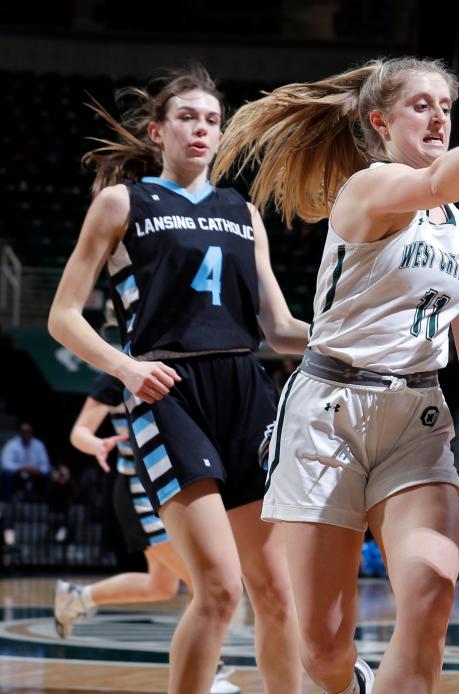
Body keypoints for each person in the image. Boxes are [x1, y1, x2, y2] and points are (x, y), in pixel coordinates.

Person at [212, 57, 459, 694]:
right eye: (421, 105)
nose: (439, 117)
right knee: (324, 647)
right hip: (327, 414)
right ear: (380, 121)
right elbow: (438, 184)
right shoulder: (368, 188)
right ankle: (354, 681)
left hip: (415, 420)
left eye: (446, 107)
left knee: (432, 593)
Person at [47, 64, 305, 693]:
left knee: (275, 593)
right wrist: (126, 368)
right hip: (169, 391)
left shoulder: (243, 210)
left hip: (247, 391)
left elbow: (279, 328)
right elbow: (62, 316)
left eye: (211, 120)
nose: (201, 128)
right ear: (157, 131)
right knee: (218, 589)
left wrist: (355, 336)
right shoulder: (122, 202)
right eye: (186, 117)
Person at [58, 373, 240, 693]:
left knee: (162, 586)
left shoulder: (188, 365)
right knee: (207, 583)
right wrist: (97, 443)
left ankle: (77, 598)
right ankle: (209, 673)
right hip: (139, 490)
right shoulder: (117, 373)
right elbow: (79, 431)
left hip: (173, 484)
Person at [1, 422, 51, 502]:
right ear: (20, 432)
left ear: (31, 432)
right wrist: (21, 468)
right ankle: (7, 503)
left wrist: (38, 470)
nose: (26, 434)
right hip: (18, 472)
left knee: (48, 473)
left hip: (35, 473)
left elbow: (45, 464)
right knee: (7, 474)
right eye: (24, 432)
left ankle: (42, 502)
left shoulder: (39, 445)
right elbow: (6, 464)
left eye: (28, 432)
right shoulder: (11, 444)